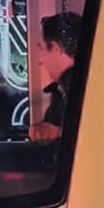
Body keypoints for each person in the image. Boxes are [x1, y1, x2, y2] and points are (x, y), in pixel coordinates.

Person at [30, 12, 83, 142]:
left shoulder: (81, 89)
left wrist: (59, 133)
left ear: (56, 49)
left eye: (42, 49)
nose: (40, 61)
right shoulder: (62, 90)